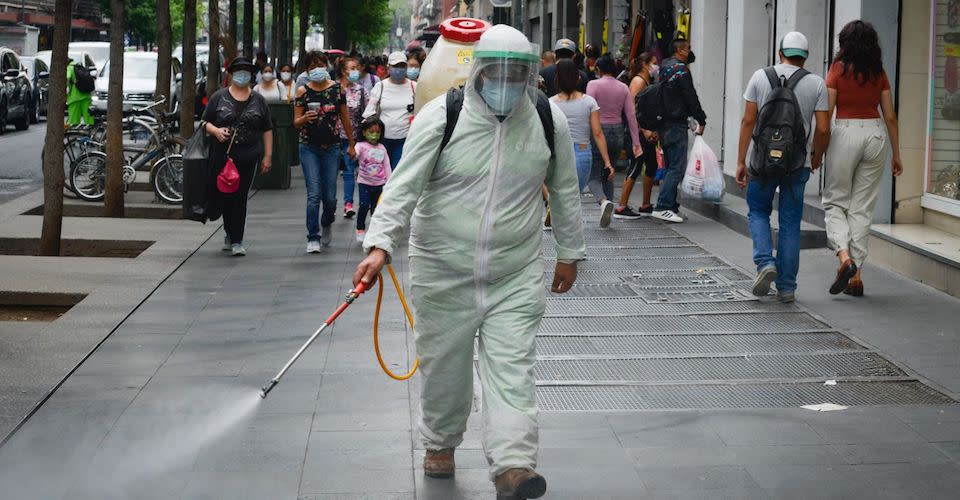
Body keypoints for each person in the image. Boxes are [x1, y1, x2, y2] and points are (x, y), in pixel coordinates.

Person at [352, 25, 584, 499]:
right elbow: (403, 187)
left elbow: (564, 189)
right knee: (446, 367)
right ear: (477, 70)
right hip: (442, 268)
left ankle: (514, 465)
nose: (505, 81)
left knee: (512, 368)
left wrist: (570, 252)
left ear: (529, 75)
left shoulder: (546, 119)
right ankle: (440, 443)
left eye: (516, 72)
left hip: (515, 271)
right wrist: (380, 246)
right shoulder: (443, 117)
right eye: (496, 71)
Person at [735, 31, 830, 303]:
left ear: (780, 53)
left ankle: (765, 262)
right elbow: (824, 127)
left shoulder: (759, 76)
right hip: (796, 162)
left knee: (758, 212)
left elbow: (747, 121)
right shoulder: (817, 84)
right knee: (789, 223)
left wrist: (741, 160)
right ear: (805, 57)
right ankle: (787, 288)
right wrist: (817, 156)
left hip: (762, 161)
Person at [822, 20, 902, 297]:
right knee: (862, 208)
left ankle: (845, 258)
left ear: (844, 43)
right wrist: (897, 153)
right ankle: (856, 277)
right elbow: (890, 115)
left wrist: (818, 149)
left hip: (845, 132)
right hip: (876, 134)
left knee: (835, 201)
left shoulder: (837, 69)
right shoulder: (878, 72)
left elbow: (827, 111)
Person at [202, 57, 274, 256]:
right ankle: (229, 231)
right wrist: (216, 131)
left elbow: (267, 128)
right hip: (222, 156)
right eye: (238, 70)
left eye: (246, 71)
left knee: (240, 197)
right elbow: (204, 122)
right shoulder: (219, 97)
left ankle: (237, 240)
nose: (242, 74)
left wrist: (268, 155)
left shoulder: (259, 100)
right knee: (225, 195)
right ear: (231, 74)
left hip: (248, 156)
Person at [294, 51, 356, 252]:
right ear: (306, 70)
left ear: (327, 66)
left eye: (320, 65)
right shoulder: (302, 92)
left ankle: (327, 220)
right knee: (313, 194)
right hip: (308, 147)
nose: (317, 69)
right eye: (312, 67)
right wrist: (304, 119)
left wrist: (352, 145)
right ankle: (313, 236)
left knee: (329, 197)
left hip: (332, 147)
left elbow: (345, 119)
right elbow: (295, 121)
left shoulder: (338, 90)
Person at [551, 58, 616, 227]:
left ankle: (557, 216)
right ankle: (568, 223)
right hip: (582, 152)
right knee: (574, 194)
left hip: (559, 152)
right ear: (578, 78)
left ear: (557, 79)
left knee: (561, 192)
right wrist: (607, 162)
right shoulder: (589, 102)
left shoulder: (551, 103)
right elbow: (597, 133)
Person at [652, 36, 706, 223]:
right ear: (680, 50)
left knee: (670, 167)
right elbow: (690, 96)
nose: (690, 51)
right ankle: (663, 206)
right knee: (677, 167)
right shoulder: (681, 71)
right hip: (676, 124)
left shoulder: (664, 68)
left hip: (663, 124)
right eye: (688, 48)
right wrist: (701, 119)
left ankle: (671, 207)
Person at [586, 53, 643, 219]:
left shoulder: (593, 85)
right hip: (617, 131)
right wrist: (636, 142)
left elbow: (588, 110)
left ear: (598, 69)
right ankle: (608, 210)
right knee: (609, 173)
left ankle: (603, 202)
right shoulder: (623, 87)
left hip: (598, 132)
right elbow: (631, 115)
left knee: (593, 175)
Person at [615, 53, 659, 218]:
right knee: (636, 165)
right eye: (654, 63)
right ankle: (621, 206)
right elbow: (632, 110)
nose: (656, 66)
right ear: (645, 64)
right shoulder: (638, 81)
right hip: (637, 133)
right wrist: (644, 130)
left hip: (645, 131)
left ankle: (646, 205)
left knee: (651, 165)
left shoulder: (646, 81)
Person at [362, 51, 416, 170]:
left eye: (402, 66)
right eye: (395, 66)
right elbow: (369, 113)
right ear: (389, 67)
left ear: (406, 67)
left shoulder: (414, 86)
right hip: (381, 140)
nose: (399, 69)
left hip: (405, 140)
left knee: (397, 173)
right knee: (381, 173)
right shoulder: (380, 87)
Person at [338, 56, 369, 218]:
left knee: (355, 171)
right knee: (345, 171)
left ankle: (353, 203)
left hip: (356, 137)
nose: (355, 71)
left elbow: (367, 113)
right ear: (343, 71)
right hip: (337, 138)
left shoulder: (361, 90)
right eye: (352, 68)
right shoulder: (335, 89)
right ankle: (341, 203)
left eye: (357, 67)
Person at [353, 117, 392, 242]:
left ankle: (375, 231)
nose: (374, 136)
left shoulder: (382, 148)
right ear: (364, 132)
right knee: (364, 205)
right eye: (371, 132)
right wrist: (353, 153)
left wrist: (389, 182)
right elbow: (355, 153)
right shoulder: (360, 145)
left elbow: (386, 165)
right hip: (364, 183)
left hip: (379, 184)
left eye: (377, 133)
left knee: (377, 209)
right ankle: (360, 228)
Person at [66, 58, 93, 126]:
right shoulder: (80, 67)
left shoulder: (69, 68)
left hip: (74, 97)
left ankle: (73, 134)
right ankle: (91, 132)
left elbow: (68, 78)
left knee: (74, 120)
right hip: (86, 96)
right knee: (88, 117)